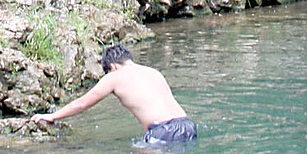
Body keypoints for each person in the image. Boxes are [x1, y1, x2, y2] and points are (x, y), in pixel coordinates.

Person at [32, 44, 197, 144]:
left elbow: (82, 104)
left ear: (112, 66)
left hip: (164, 132)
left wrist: (53, 116)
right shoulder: (153, 72)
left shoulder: (115, 76)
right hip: (188, 126)